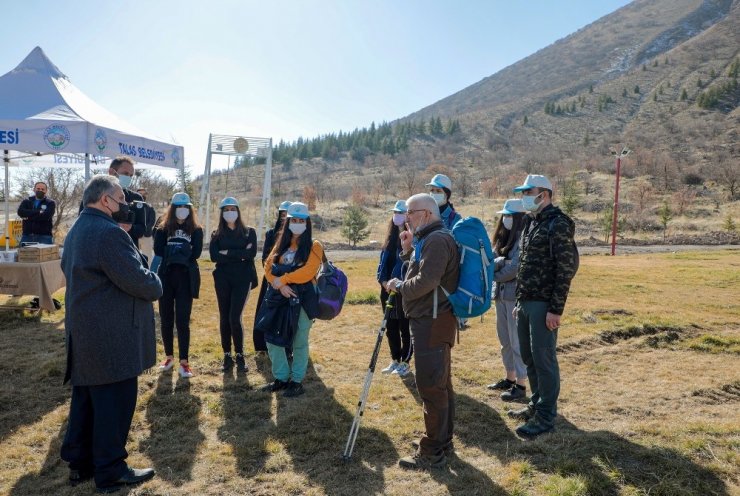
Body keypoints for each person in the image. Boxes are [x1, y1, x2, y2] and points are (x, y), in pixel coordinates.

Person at [60, 174, 162, 493]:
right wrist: (154, 278)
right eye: (121, 199)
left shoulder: (77, 229)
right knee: (114, 404)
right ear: (106, 200)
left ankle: (81, 464)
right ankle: (111, 470)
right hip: (111, 336)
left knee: (88, 402)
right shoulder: (108, 234)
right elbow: (142, 282)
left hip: (86, 331)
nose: (125, 205)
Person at [384, 193, 460, 470]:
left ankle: (432, 450)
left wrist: (398, 285)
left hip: (433, 320)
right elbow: (421, 270)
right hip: (430, 318)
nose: (406, 219)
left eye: (410, 213)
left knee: (430, 384)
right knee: (440, 382)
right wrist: (407, 251)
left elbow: (426, 281)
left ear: (426, 214)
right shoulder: (430, 239)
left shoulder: (438, 240)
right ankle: (442, 440)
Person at [508, 174, 578, 438]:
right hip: (526, 302)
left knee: (544, 358)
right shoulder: (531, 222)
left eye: (529, 192)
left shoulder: (558, 223)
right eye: (523, 193)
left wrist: (556, 309)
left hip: (543, 304)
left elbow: (564, 269)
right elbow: (525, 266)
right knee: (529, 357)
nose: (524, 197)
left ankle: (546, 416)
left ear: (545, 195)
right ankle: (536, 405)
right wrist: (518, 301)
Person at [260, 202, 323, 398]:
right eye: (293, 220)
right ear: (287, 222)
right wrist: (279, 285)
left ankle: (296, 381)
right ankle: (281, 378)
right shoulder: (281, 244)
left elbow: (308, 272)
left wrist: (284, 280)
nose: (297, 223)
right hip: (280, 296)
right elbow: (267, 266)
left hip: (303, 299)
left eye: (300, 220)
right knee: (273, 339)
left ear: (307, 222)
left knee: (299, 341)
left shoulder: (314, 246)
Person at [153, 192, 203, 379]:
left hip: (185, 277)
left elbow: (196, 252)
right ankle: (168, 357)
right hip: (166, 275)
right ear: (172, 208)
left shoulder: (196, 229)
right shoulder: (162, 227)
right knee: (166, 319)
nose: (182, 210)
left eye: (185, 207)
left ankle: (184, 362)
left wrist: (174, 250)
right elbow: (158, 249)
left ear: (189, 209)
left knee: (182, 320)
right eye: (178, 207)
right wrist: (181, 250)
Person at [209, 197, 258, 372]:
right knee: (224, 316)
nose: (230, 212)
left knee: (234, 317)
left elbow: (251, 253)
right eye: (226, 209)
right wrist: (240, 253)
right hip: (222, 278)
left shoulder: (249, 232)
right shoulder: (216, 234)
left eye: (233, 209)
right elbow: (214, 256)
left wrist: (227, 252)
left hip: (243, 278)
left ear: (238, 211)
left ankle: (240, 354)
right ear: (222, 213)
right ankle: (227, 355)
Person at [487, 199, 528, 402]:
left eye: (510, 215)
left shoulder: (523, 239)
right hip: (500, 296)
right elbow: (490, 261)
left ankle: (521, 383)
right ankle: (510, 378)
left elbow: (514, 269)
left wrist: (495, 271)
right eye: (505, 215)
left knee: (516, 341)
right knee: (505, 340)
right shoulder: (502, 239)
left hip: (513, 296)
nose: (506, 219)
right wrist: (502, 262)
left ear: (519, 218)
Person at [376, 200, 413, 377]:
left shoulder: (412, 240)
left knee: (405, 327)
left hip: (403, 292)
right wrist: (384, 283)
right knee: (391, 327)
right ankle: (395, 359)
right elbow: (381, 267)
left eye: (401, 213)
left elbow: (410, 267)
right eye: (395, 213)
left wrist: (398, 286)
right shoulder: (389, 241)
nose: (397, 216)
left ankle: (405, 361)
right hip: (387, 292)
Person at [80, 156, 148, 248]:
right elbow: (83, 224)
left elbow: (142, 230)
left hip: (128, 251)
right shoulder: (94, 196)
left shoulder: (136, 198)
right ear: (112, 172)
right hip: (100, 250)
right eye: (125, 173)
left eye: (131, 175)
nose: (129, 178)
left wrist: (130, 228)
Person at [253, 200, 291, 353]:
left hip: (289, 280)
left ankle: (287, 346)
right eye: (282, 214)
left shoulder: (296, 237)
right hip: (271, 280)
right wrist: (275, 275)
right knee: (267, 312)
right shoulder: (271, 234)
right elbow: (265, 259)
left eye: (287, 215)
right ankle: (263, 344)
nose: (284, 218)